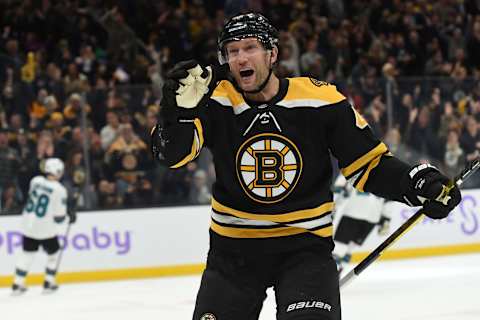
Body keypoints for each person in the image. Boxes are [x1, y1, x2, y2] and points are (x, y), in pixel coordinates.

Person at [150, 12, 461, 320]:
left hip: (305, 250)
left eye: (249, 48)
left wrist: (418, 183)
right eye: (232, 51)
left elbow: (370, 166)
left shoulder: (319, 99)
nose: (240, 58)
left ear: (272, 53)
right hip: (233, 254)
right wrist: (175, 115)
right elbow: (172, 156)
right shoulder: (213, 100)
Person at [11, 158, 76, 295]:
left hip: (28, 224)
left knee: (27, 253)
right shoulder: (59, 189)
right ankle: (49, 281)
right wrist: (69, 217)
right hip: (45, 229)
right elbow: (59, 219)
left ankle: (18, 282)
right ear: (58, 171)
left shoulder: (35, 181)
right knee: (54, 253)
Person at [332, 174, 392, 274]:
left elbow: (338, 188)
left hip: (354, 212)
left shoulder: (356, 165)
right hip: (372, 216)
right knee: (351, 246)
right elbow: (389, 200)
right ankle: (339, 268)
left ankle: (334, 272)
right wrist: (386, 219)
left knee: (341, 245)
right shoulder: (387, 175)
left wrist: (335, 205)